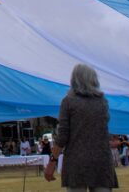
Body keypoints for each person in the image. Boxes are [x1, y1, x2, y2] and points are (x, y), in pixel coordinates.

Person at [44, 63, 118, 191]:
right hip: (102, 161)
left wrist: (52, 162)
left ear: (74, 80)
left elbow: (62, 136)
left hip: (76, 162)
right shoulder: (102, 102)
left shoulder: (68, 101)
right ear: (94, 80)